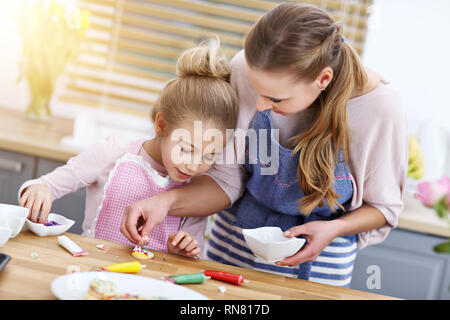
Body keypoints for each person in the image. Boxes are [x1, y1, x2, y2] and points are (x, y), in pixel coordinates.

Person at [120, 3, 408, 287]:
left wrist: (334, 228)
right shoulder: (245, 68)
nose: (260, 105)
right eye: (256, 91)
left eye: (276, 99)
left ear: (323, 79)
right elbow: (225, 180)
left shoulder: (379, 107)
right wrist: (166, 202)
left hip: (319, 263)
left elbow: (382, 207)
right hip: (233, 243)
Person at [17, 40, 239, 258]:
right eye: (187, 149)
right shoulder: (112, 153)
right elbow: (40, 185)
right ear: (161, 125)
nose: (194, 165)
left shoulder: (196, 192)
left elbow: (188, 260)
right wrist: (38, 190)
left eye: (210, 154)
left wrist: (182, 250)